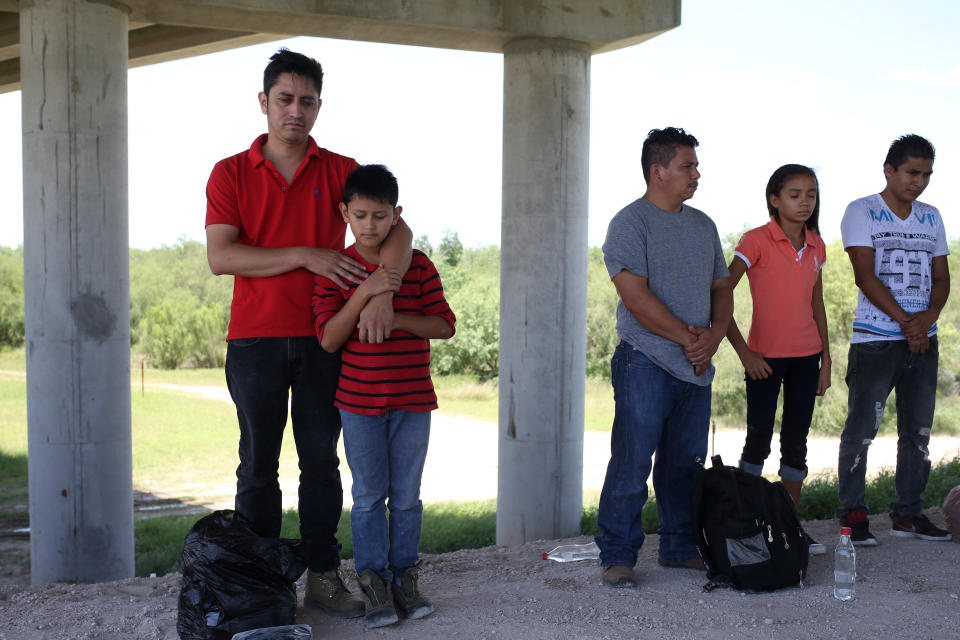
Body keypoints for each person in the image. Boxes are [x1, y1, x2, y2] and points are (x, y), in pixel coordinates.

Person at [204, 49, 413, 618]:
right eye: (285, 99)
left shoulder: (342, 168)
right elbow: (221, 256)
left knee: (321, 463)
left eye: (307, 101)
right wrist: (306, 255)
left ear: (320, 106)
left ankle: (323, 577)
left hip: (327, 338)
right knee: (257, 467)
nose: (296, 110)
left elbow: (401, 226)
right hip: (255, 339)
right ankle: (264, 584)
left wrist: (384, 289)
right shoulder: (229, 171)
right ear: (264, 102)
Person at [312, 164, 455, 629]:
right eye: (360, 216)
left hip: (413, 402)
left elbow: (444, 325)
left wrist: (394, 318)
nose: (370, 226)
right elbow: (329, 338)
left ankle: (405, 578)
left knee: (407, 497)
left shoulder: (419, 266)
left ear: (397, 214)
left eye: (379, 216)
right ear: (345, 214)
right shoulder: (339, 269)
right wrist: (367, 293)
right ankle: (373, 580)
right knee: (369, 497)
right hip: (357, 404)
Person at [596, 127, 733, 588]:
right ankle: (618, 556)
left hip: (696, 366)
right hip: (644, 361)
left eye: (695, 165)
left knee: (684, 466)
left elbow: (721, 288)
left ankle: (678, 547)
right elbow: (634, 297)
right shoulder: (629, 223)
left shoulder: (704, 225)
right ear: (658, 172)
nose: (697, 174)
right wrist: (689, 339)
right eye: (687, 166)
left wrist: (713, 338)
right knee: (632, 463)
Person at [837, 134, 951, 545]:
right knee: (861, 430)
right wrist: (907, 322)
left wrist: (927, 320)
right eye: (911, 172)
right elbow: (864, 276)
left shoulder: (932, 216)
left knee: (918, 431)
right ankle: (852, 515)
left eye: (926, 174)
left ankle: (909, 514)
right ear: (889, 169)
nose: (918, 182)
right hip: (876, 339)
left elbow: (941, 278)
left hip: (923, 339)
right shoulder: (862, 211)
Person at [725, 164, 831, 555]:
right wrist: (745, 352)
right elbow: (721, 294)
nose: (804, 202)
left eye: (811, 195)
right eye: (794, 194)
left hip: (807, 357)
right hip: (764, 360)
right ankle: (748, 526)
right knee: (757, 442)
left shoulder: (817, 244)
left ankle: (789, 527)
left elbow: (816, 302)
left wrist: (827, 360)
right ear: (774, 199)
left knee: (796, 444)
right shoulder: (755, 240)